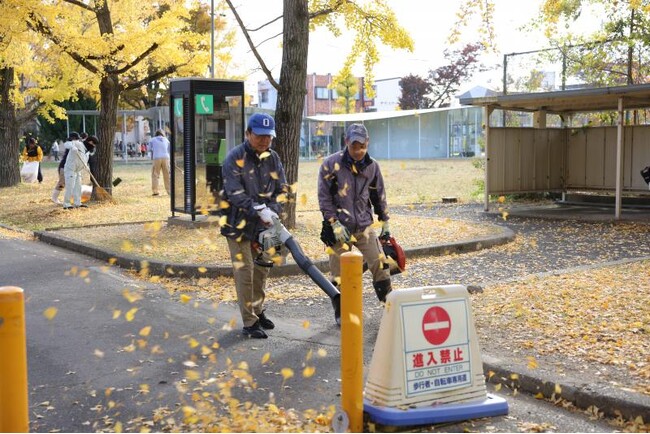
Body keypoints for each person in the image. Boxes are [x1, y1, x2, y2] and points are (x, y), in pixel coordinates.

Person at [220, 113, 288, 339]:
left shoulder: (274, 158)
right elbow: (235, 193)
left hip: (266, 225)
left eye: (269, 137)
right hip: (238, 225)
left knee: (262, 269)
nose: (265, 141)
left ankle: (258, 311)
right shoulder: (234, 157)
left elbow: (282, 189)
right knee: (245, 272)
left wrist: (273, 211)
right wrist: (259, 210)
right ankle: (249, 322)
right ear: (248, 134)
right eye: (260, 136)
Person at [317, 123, 393, 304]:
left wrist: (384, 221)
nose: (358, 151)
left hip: (364, 226)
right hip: (339, 228)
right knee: (339, 274)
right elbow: (324, 197)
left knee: (380, 264)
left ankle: (388, 305)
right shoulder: (330, 164)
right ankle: (341, 312)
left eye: (362, 147)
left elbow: (378, 195)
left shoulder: (372, 166)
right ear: (346, 142)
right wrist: (333, 222)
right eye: (354, 146)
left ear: (367, 142)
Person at [62, 132, 95, 209]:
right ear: (89, 142)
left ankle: (77, 203)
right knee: (70, 186)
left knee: (78, 187)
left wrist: (85, 166)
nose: (93, 146)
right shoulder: (77, 144)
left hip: (78, 171)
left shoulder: (87, 151)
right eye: (93, 143)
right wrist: (73, 147)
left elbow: (84, 159)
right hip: (70, 169)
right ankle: (66, 204)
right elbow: (66, 144)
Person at [148, 130, 171, 196]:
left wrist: (154, 150)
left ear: (156, 134)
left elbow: (149, 149)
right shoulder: (166, 140)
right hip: (166, 158)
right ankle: (169, 191)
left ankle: (155, 191)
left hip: (157, 157)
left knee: (155, 174)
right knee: (167, 174)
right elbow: (169, 150)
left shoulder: (152, 140)